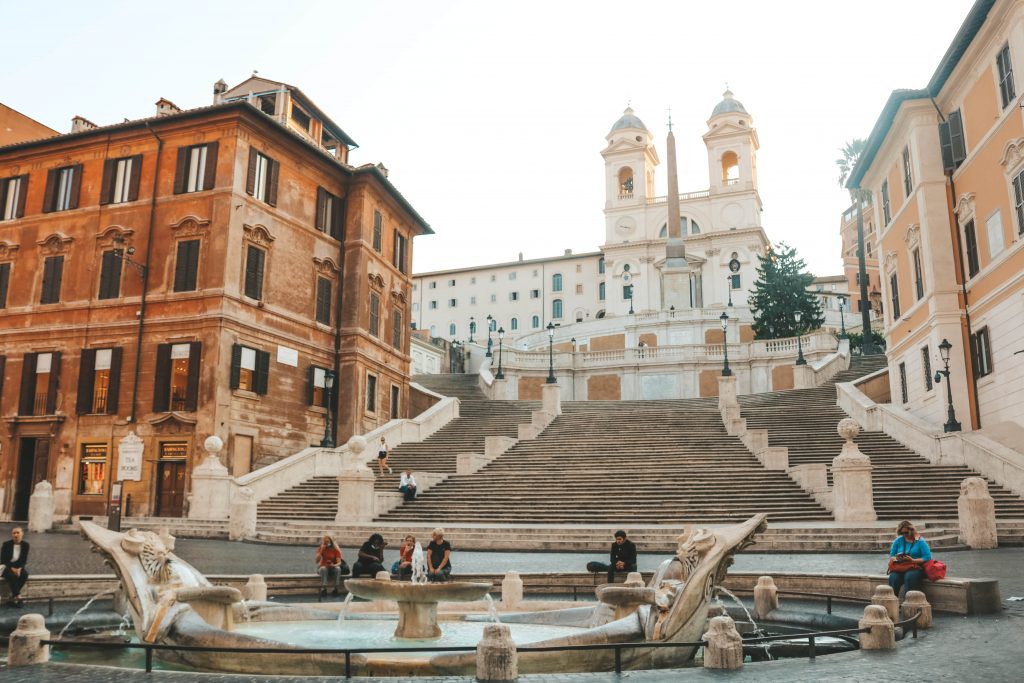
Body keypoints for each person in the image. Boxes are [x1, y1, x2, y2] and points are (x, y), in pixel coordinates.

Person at [887, 520, 931, 597]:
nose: (904, 535)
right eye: (902, 533)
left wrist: (912, 560)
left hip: (916, 567)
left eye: (906, 532)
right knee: (893, 577)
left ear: (911, 531)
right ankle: (893, 601)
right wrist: (897, 558)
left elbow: (927, 557)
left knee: (910, 577)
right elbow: (892, 556)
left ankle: (909, 602)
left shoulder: (920, 541)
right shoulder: (898, 540)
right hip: (900, 567)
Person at [1, 527, 30, 607]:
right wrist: (12, 568)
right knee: (12, 576)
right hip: (6, 566)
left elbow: (24, 560)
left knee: (24, 575)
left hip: (18, 566)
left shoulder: (25, 545)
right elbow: (3, 560)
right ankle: (18, 596)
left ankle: (12, 597)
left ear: (22, 534)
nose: (15, 535)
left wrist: (20, 568)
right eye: (14, 533)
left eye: (17, 533)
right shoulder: (6, 544)